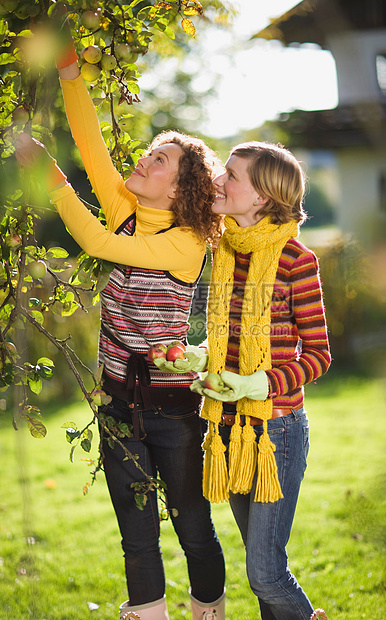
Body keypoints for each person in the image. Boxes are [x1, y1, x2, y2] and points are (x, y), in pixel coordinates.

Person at [15, 39, 226, 620]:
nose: (145, 160)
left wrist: (55, 180)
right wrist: (67, 71)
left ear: (181, 189)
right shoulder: (126, 204)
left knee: (194, 530)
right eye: (150, 152)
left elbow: (100, 245)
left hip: (171, 408)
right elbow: (90, 139)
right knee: (136, 535)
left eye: (161, 160)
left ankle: (210, 611)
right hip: (117, 405)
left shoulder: (185, 242)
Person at [190, 142, 331, 620]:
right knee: (262, 568)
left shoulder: (296, 260)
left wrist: (260, 384)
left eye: (231, 175)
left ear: (263, 198)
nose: (219, 182)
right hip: (231, 431)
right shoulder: (224, 250)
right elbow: (232, 340)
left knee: (266, 574)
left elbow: (318, 355)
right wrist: (199, 358)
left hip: (276, 432)